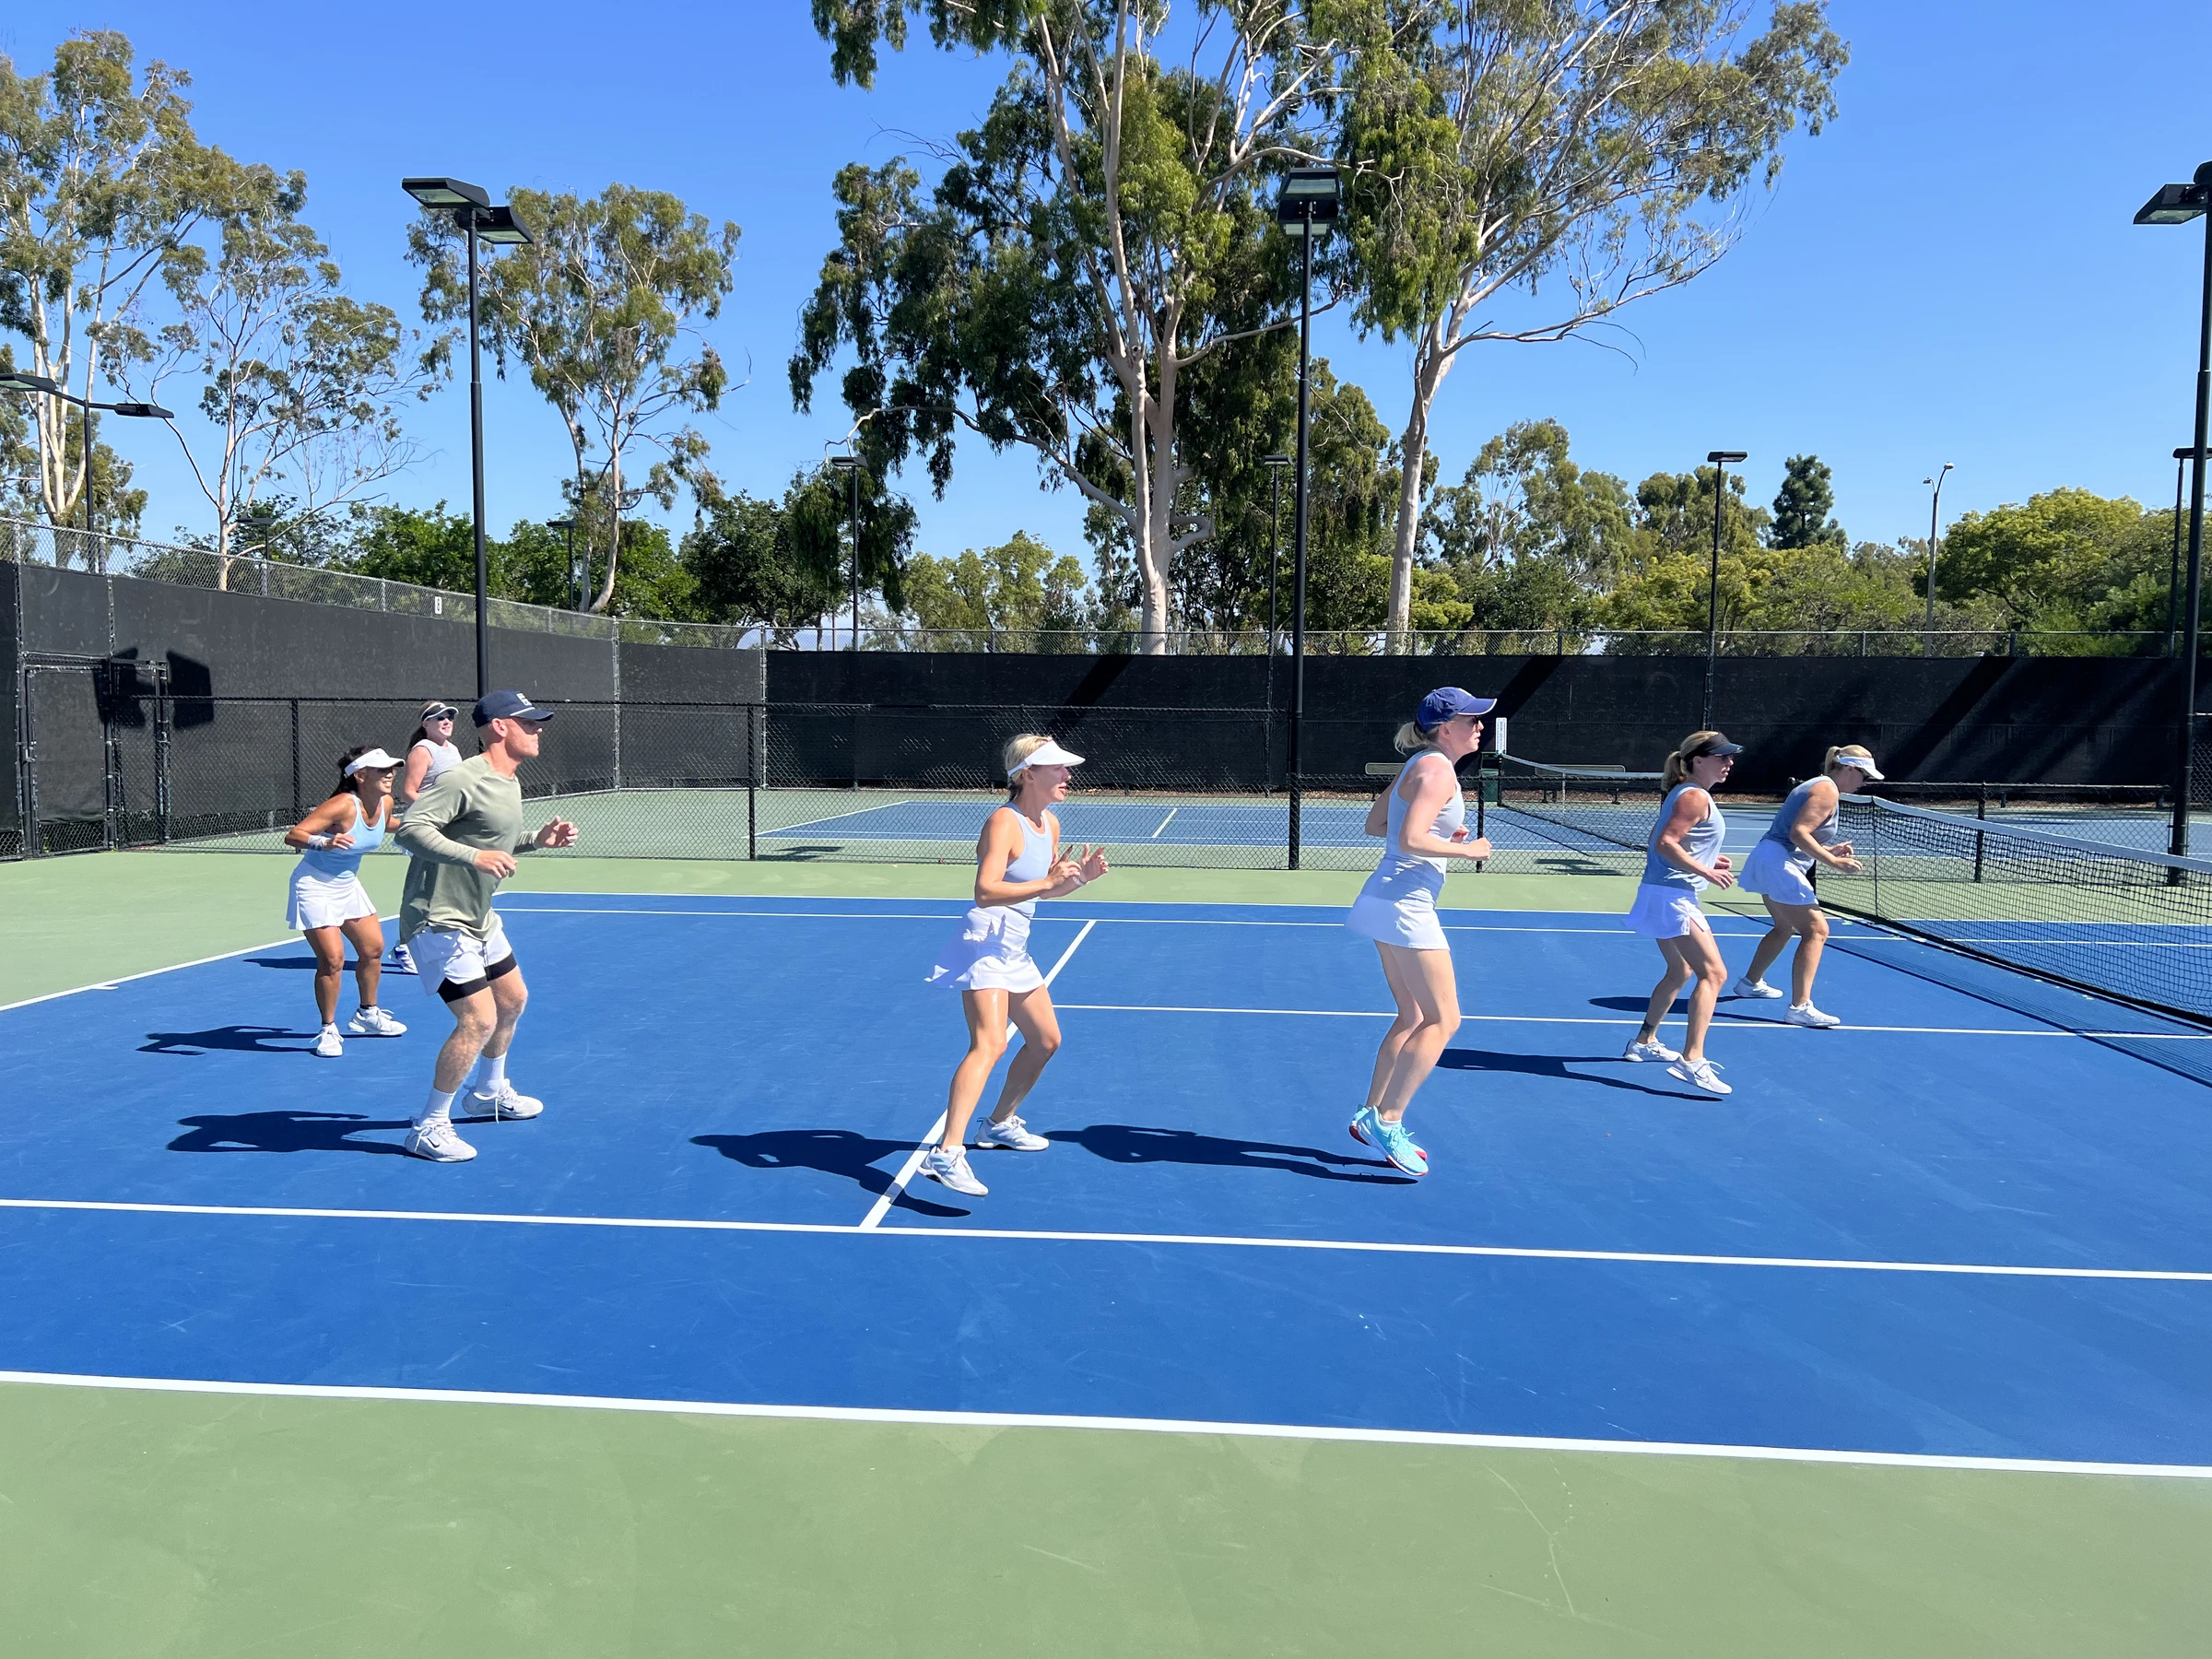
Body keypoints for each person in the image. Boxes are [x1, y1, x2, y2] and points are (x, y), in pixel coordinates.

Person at [393, 690, 579, 1164]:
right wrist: (474, 857)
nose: (539, 730)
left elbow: (488, 839)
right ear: (500, 727)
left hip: (479, 916)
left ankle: (488, 1093)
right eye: (530, 723)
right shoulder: (463, 777)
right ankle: (428, 1126)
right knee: (478, 1019)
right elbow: (412, 829)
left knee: (513, 1000)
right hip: (437, 918)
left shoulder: (509, 780)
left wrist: (535, 841)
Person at [920, 735, 1109, 1198]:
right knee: (988, 1045)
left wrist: (1077, 882)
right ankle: (946, 1153)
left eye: (1067, 768)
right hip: (984, 943)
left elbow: (1043, 891)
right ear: (1028, 774)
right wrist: (1047, 880)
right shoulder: (1004, 822)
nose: (1068, 776)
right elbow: (984, 891)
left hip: (1015, 946)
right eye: (1058, 768)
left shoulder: (1050, 825)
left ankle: (998, 1124)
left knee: (1045, 1041)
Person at [1345, 687, 1496, 1177]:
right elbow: (1408, 838)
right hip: (1405, 906)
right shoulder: (1437, 770)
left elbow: (1375, 824)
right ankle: (1390, 1121)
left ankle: (1370, 1115)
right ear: (1445, 728)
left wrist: (1441, 840)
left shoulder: (1419, 765)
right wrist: (1468, 850)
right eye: (1472, 719)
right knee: (1444, 1020)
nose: (1479, 725)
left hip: (1382, 900)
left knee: (1411, 1014)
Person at [1622, 732, 1745, 1097]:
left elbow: (1662, 841)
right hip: (1671, 897)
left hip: (1664, 891)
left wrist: (1704, 860)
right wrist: (1706, 870)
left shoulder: (1686, 794)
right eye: (1721, 756)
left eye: (1730, 757)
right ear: (1697, 760)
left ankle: (1644, 1041)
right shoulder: (1693, 796)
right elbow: (1664, 843)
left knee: (1681, 970)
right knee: (1715, 974)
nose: (1729, 762)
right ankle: (1692, 1060)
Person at [1731, 744, 1883, 1028]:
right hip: (1777, 861)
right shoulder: (1827, 789)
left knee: (1784, 927)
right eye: (1864, 776)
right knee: (1817, 930)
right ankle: (1800, 1007)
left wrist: (1830, 850)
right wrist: (1832, 862)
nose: (1865, 782)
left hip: (1770, 857)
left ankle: (1749, 983)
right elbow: (1798, 832)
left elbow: (1802, 835)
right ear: (1849, 769)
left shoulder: (1820, 786)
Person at [283, 746, 409, 1058]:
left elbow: (386, 824)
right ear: (360, 775)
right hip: (314, 885)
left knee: (373, 949)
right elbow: (294, 834)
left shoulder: (386, 803)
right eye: (383, 770)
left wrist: (418, 826)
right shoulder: (341, 805)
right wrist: (325, 842)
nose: (391, 773)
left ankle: (367, 1014)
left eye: (392, 768)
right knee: (333, 960)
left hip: (347, 885)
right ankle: (328, 1030)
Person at [384, 699, 465, 975]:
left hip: (449, 828)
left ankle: (432, 943)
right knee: (420, 890)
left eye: (449, 717)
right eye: (438, 717)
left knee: (443, 888)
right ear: (426, 723)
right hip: (427, 827)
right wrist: (437, 814)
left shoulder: (452, 749)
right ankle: (404, 946)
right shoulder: (423, 750)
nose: (446, 721)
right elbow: (409, 792)